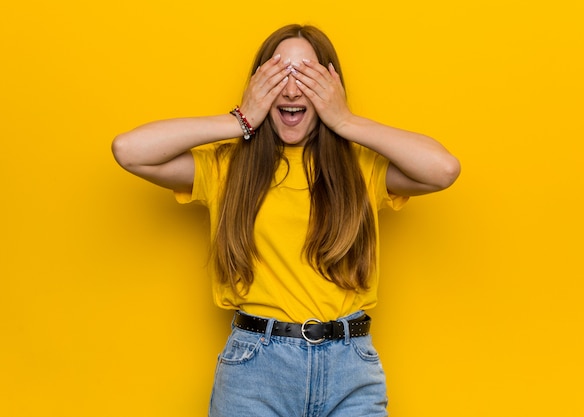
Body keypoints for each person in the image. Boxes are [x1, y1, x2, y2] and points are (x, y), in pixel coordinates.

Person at [112, 23, 460, 417]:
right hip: (255, 369)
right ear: (257, 84)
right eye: (278, 74)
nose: (292, 90)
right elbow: (129, 150)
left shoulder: (361, 168)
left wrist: (345, 121)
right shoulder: (228, 168)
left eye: (306, 77)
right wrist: (241, 119)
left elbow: (443, 169)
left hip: (351, 367)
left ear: (332, 87)